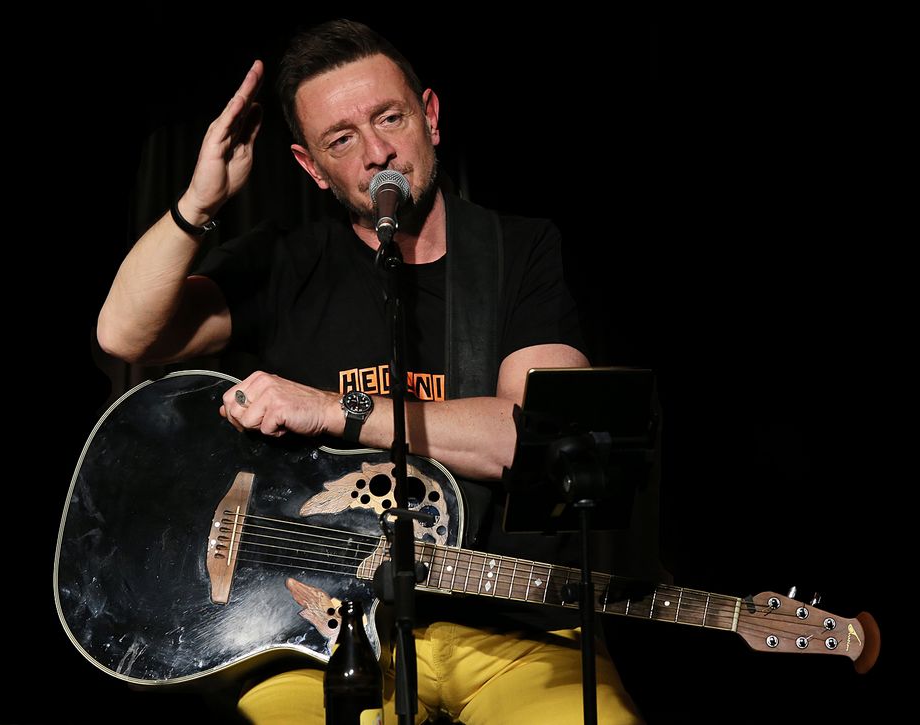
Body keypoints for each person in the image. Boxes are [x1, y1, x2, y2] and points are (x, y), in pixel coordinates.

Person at [97, 18, 641, 724]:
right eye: (341, 140)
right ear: (311, 167)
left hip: (512, 625)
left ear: (430, 117)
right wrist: (199, 202)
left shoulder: (517, 251)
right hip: (317, 631)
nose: (377, 151)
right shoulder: (286, 261)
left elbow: (531, 439)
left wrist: (335, 408)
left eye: (389, 118)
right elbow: (125, 333)